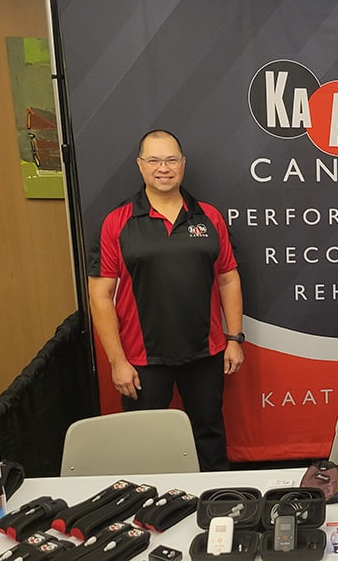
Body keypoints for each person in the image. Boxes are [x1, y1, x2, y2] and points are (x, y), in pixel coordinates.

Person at [88, 129, 244, 471]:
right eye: (154, 160)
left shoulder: (209, 217)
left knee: (209, 436)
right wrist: (117, 361)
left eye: (172, 159)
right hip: (141, 358)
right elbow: (100, 295)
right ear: (140, 165)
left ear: (183, 164)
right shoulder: (117, 222)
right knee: (145, 446)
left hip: (206, 352)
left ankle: (217, 498)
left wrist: (234, 339)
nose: (164, 168)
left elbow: (228, 278)